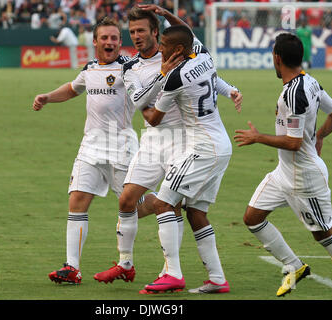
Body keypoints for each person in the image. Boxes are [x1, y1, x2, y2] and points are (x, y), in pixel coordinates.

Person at [233, 33, 332, 300]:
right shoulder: (309, 82)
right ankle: (294, 265)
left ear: (277, 58)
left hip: (305, 177)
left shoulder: (294, 93)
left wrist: (258, 137)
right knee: (252, 217)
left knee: (324, 235)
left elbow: (293, 143)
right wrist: (319, 136)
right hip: (285, 172)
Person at [136, 24, 242, 294]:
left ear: (179, 50)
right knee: (195, 213)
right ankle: (218, 279)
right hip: (221, 145)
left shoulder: (175, 77)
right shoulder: (204, 57)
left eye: (165, 46)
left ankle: (172, 274)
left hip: (203, 149)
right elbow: (188, 32)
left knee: (162, 203)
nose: (160, 48)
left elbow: (155, 119)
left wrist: (142, 103)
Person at [33, 17, 140, 285]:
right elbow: (73, 89)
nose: (110, 42)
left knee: (136, 205)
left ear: (120, 41)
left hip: (121, 146)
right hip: (90, 145)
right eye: (104, 37)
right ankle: (72, 268)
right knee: (77, 199)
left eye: (115, 38)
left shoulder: (129, 68)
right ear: (95, 41)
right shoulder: (90, 68)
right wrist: (48, 97)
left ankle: (167, 208)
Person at [93, 5, 187, 285]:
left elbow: (189, 37)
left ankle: (171, 271)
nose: (135, 36)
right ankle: (125, 264)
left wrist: (229, 89)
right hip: (151, 139)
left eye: (141, 30)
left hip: (181, 138)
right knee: (126, 200)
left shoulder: (176, 55)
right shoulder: (130, 67)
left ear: (155, 32)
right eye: (132, 32)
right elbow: (139, 100)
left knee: (171, 204)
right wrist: (162, 75)